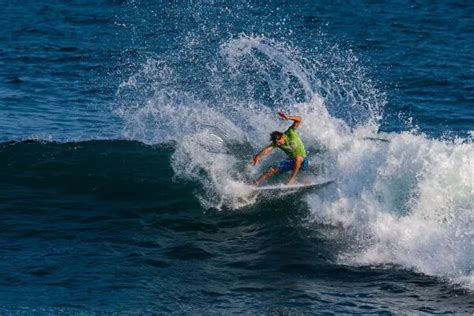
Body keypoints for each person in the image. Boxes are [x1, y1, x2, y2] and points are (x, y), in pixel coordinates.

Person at [250, 111, 309, 186]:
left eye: (279, 142)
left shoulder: (290, 132)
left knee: (298, 157)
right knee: (273, 169)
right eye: (276, 143)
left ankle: (292, 180)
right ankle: (255, 184)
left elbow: (299, 119)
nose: (278, 144)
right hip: (291, 161)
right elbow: (268, 149)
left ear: (282, 137)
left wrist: (288, 117)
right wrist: (258, 156)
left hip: (303, 161)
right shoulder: (277, 143)